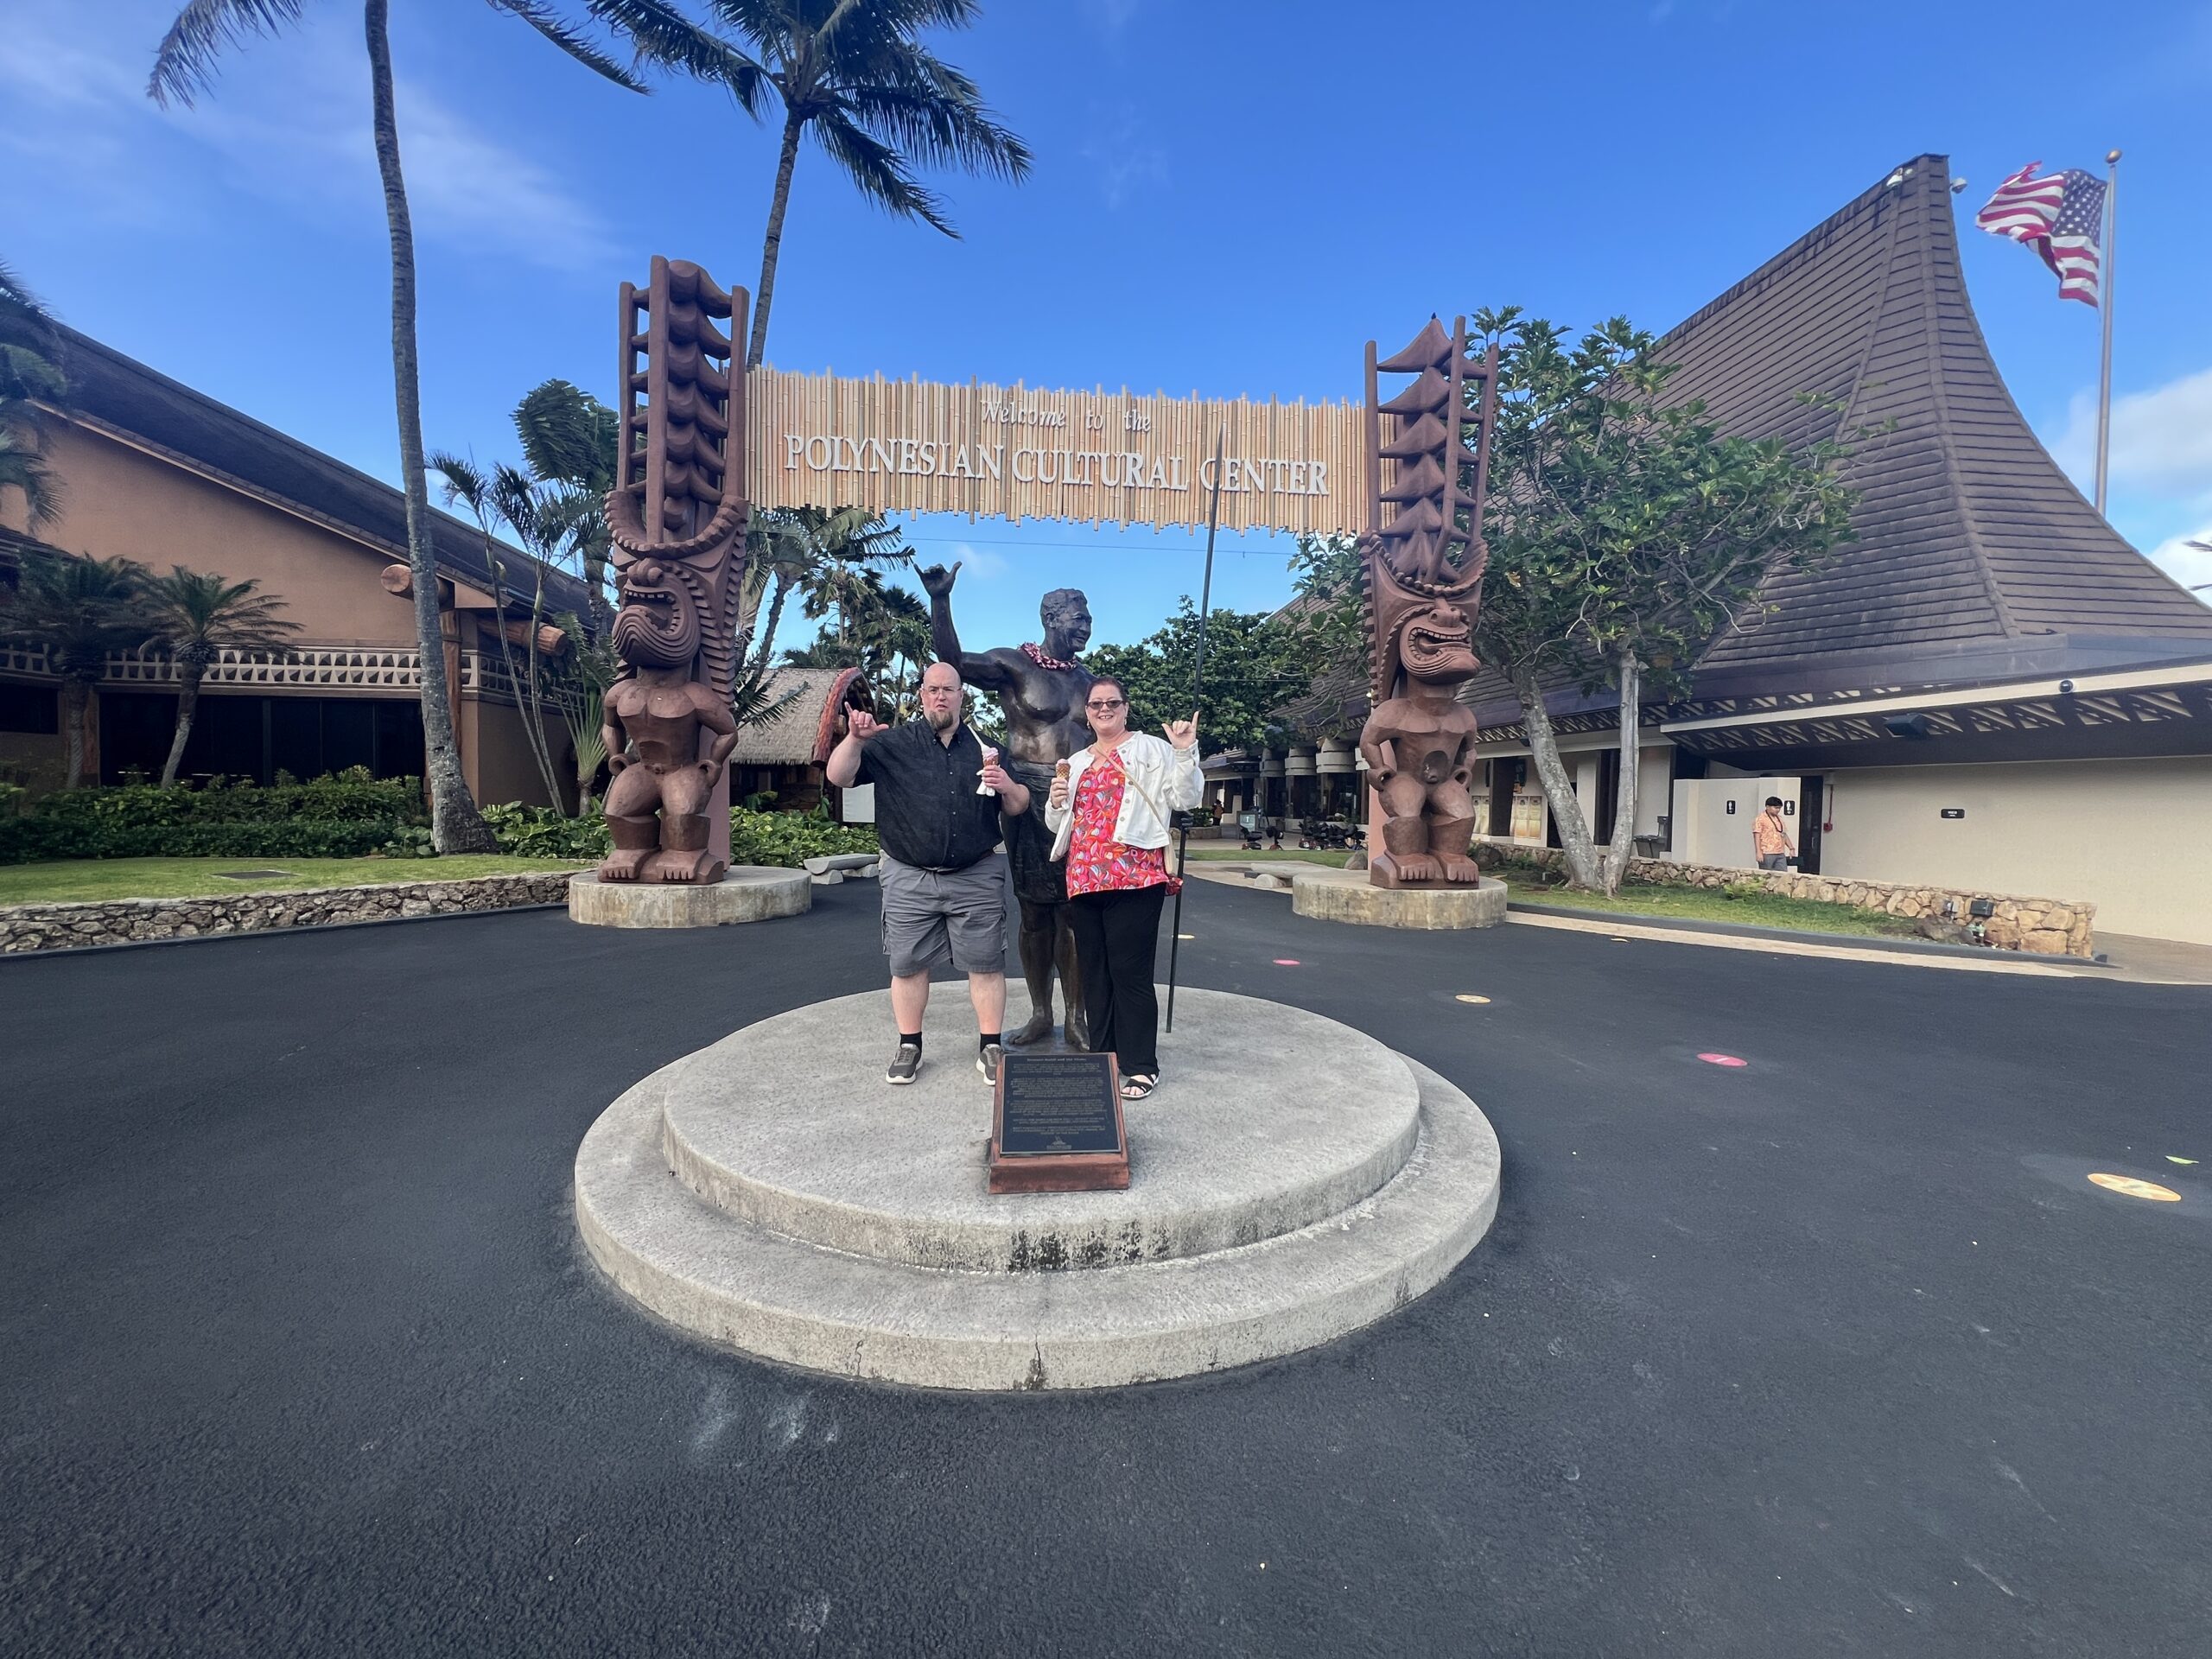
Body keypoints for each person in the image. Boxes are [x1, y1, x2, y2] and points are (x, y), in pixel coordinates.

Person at [823, 662, 1029, 1087]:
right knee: (908, 965)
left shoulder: (988, 749)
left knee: (987, 963)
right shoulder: (892, 744)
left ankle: (991, 1045)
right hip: (909, 875)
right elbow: (838, 776)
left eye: (949, 689)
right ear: (922, 695)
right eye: (933, 689)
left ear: (961, 696)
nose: (941, 696)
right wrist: (854, 739)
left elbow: (1018, 805)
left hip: (976, 873)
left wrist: (1008, 786)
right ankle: (909, 1045)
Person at [920, 563, 1092, 1049]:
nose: (1086, 625)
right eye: (1079, 617)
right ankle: (1040, 1013)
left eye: (1088, 618)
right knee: (1035, 910)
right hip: (1027, 792)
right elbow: (953, 661)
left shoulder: (1089, 681)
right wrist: (941, 601)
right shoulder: (1014, 666)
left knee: (1074, 912)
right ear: (1052, 618)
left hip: (1079, 796)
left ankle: (1075, 1018)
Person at [1045, 677, 1202, 1102]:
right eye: (1096, 704)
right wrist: (1056, 802)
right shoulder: (1076, 762)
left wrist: (1184, 752)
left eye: (1112, 702)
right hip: (1084, 878)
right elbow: (1058, 824)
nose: (1104, 709)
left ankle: (1141, 1064)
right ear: (1086, 712)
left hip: (1136, 876)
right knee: (1094, 973)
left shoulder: (1152, 749)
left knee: (1129, 972)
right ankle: (1105, 1055)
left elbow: (1185, 798)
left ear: (1126, 708)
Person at [1754, 795, 1796, 871]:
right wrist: (1758, 852)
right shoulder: (1760, 819)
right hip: (1767, 852)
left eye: (1779, 808)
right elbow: (1757, 835)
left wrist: (1791, 848)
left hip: (1780, 852)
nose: (1778, 810)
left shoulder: (1779, 818)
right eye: (1776, 808)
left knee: (1782, 874)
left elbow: (1783, 834)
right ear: (1767, 807)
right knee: (1767, 874)